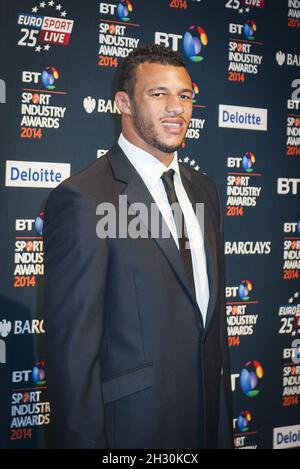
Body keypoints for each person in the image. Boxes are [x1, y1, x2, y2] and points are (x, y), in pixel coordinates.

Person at [44, 44, 233, 449]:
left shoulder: (206, 191)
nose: (175, 108)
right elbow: (73, 361)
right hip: (133, 430)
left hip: (205, 422)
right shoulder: (84, 198)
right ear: (123, 103)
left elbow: (212, 330)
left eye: (184, 96)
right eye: (158, 93)